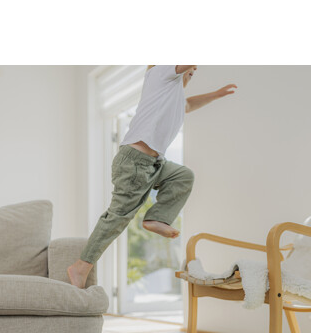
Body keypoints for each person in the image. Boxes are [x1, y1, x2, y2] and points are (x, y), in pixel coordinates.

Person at [68, 65, 237, 288]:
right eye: (189, 69)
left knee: (183, 176)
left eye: (193, 72)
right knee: (118, 217)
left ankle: (156, 218)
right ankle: (81, 266)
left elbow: (188, 105)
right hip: (134, 162)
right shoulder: (160, 73)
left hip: (154, 163)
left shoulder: (174, 96)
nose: (191, 72)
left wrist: (216, 95)